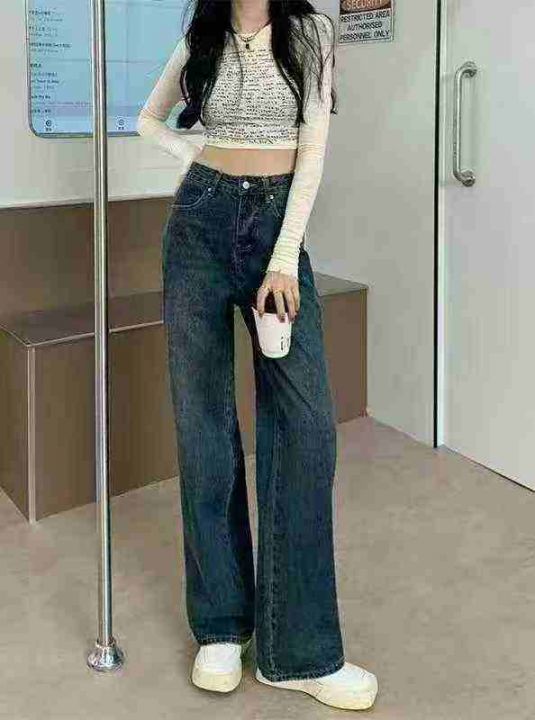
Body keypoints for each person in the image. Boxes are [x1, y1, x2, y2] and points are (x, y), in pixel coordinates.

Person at [137, 0, 378, 710]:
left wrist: (281, 259)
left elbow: (313, 151)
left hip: (277, 228)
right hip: (197, 229)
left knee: (305, 432)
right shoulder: (203, 35)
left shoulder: (310, 32)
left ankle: (297, 652)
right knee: (204, 428)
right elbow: (149, 119)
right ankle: (221, 625)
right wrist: (198, 157)